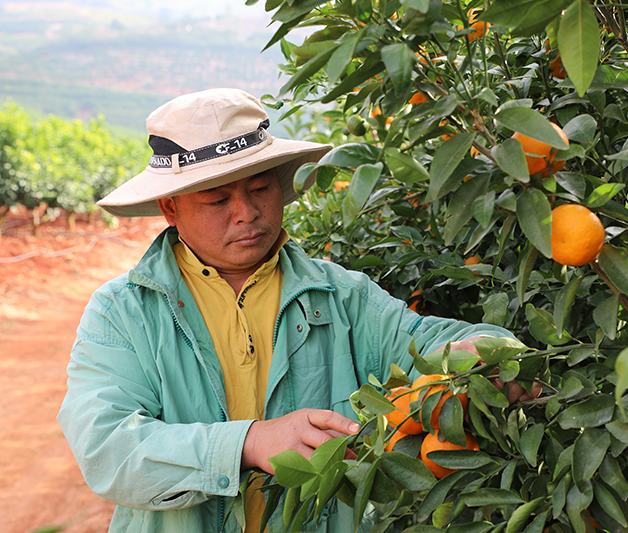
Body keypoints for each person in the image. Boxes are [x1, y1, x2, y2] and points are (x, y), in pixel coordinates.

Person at [57, 88, 515, 533]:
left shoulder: (340, 296)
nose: (246, 212)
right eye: (217, 200)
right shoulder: (124, 312)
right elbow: (108, 448)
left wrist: (493, 354)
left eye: (259, 188)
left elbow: (424, 339)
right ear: (170, 207)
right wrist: (248, 443)